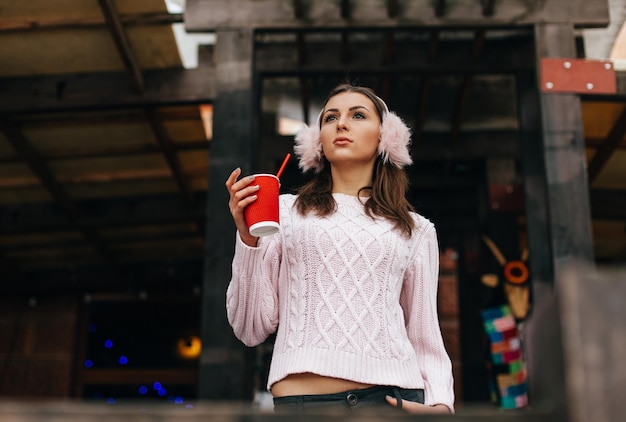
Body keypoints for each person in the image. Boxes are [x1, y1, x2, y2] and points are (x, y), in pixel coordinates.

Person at [225, 83, 454, 414]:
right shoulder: (284, 212)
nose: (340, 124)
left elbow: (425, 335)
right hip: (302, 405)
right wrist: (248, 239)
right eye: (330, 117)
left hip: (392, 402)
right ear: (318, 141)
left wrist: (441, 405)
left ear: (385, 136)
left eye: (357, 115)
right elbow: (250, 329)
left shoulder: (417, 229)